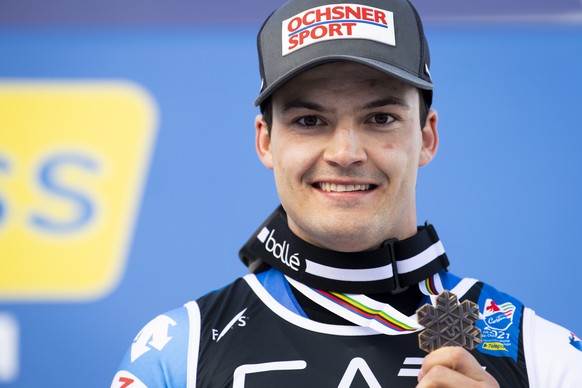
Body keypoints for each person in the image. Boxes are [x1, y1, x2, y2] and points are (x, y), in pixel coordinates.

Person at [111, 0, 582, 386]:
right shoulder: (178, 350)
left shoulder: (536, 351)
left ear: (427, 137)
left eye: (380, 118)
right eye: (309, 121)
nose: (345, 152)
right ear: (266, 141)